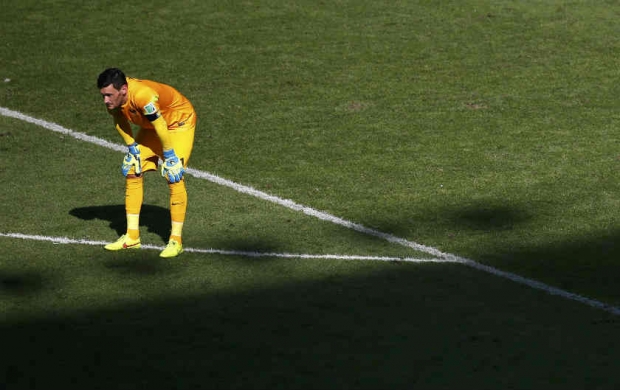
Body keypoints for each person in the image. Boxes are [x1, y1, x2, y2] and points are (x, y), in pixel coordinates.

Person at [97, 68, 196, 258]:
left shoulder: (143, 96)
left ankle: (176, 241)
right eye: (103, 96)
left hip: (178, 123)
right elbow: (119, 119)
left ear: (123, 90)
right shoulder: (114, 100)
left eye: (109, 95)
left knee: (173, 174)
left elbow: (161, 125)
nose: (106, 100)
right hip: (153, 126)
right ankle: (132, 237)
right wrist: (132, 147)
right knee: (133, 168)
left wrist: (170, 156)